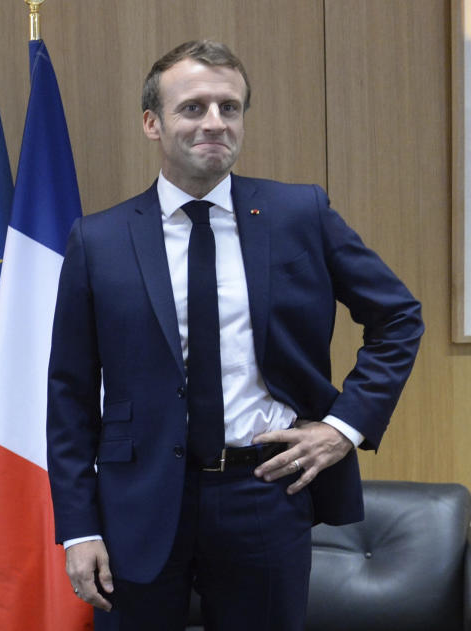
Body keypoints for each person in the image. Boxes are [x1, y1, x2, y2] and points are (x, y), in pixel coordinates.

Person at [46, 40, 423, 631]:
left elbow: (398, 317)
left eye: (230, 107)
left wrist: (343, 427)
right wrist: (78, 527)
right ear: (152, 122)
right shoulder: (99, 240)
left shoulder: (300, 212)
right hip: (137, 501)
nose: (214, 122)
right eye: (193, 108)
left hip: (264, 491)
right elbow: (68, 394)